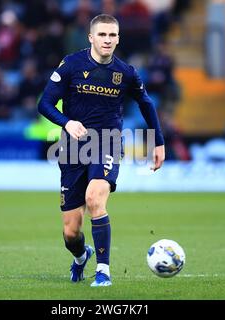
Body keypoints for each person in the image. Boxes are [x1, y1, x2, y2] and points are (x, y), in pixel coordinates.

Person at [37, 14, 165, 286]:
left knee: (95, 198)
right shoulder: (71, 65)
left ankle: (103, 271)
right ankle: (82, 256)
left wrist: (159, 142)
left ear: (118, 39)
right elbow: (45, 104)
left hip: (107, 141)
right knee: (71, 233)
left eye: (112, 35)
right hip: (72, 149)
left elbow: (146, 103)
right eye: (102, 35)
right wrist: (67, 122)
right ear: (91, 38)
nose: (107, 40)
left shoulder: (126, 73)